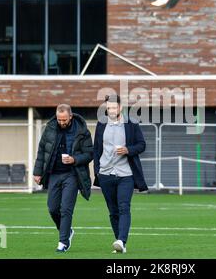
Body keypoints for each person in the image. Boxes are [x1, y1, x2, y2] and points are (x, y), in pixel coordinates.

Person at [33, 104, 93, 253]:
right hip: (54, 174)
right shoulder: (50, 128)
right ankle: (67, 231)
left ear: (71, 116)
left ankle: (63, 242)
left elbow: (90, 154)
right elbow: (42, 150)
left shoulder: (82, 131)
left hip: (72, 174)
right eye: (59, 119)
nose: (62, 122)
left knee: (66, 209)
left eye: (64, 119)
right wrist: (37, 172)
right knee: (53, 208)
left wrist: (74, 159)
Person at [93, 94, 148, 254]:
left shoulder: (131, 124)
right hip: (105, 174)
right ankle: (120, 243)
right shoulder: (101, 124)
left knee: (124, 207)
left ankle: (121, 240)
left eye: (113, 107)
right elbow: (97, 148)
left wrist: (128, 150)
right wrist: (97, 169)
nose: (111, 110)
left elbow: (142, 145)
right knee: (113, 211)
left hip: (126, 175)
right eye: (108, 108)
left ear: (120, 107)